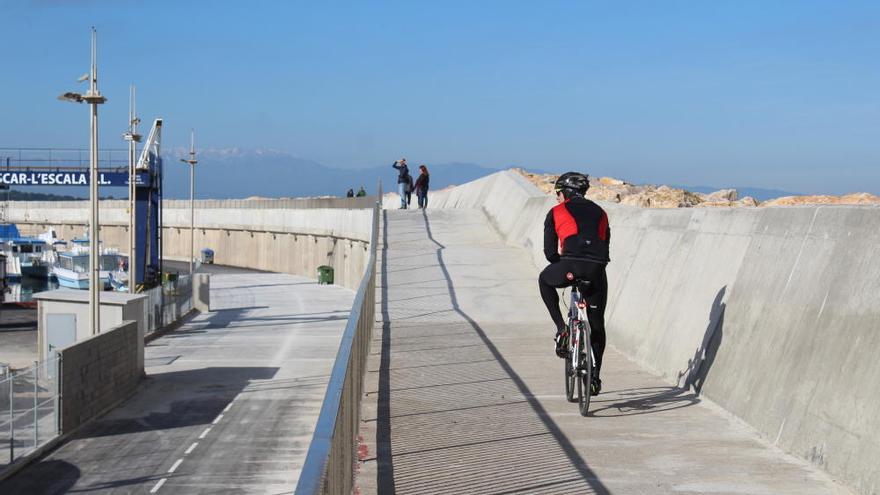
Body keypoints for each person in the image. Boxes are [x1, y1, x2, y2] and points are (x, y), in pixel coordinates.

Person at [538, 172, 610, 396]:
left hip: (570, 267)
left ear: (565, 193)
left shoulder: (556, 212)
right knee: (597, 324)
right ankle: (595, 377)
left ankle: (562, 329)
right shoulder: (601, 212)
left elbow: (550, 253)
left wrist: (564, 264)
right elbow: (605, 245)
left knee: (544, 280)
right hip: (596, 270)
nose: (557, 198)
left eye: (557, 193)